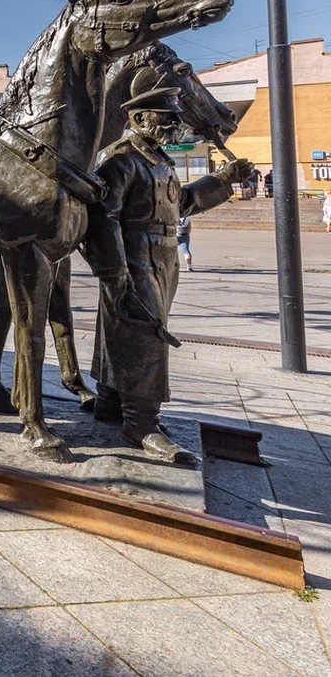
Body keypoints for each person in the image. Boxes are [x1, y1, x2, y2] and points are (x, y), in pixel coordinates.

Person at [85, 81, 252, 463]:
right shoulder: (122, 160)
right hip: (135, 254)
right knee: (146, 332)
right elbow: (102, 218)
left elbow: (184, 204)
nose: (174, 127)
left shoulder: (158, 161)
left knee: (131, 326)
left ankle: (110, 400)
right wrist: (114, 271)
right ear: (140, 118)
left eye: (175, 120)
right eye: (166, 119)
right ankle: (141, 422)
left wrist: (224, 181)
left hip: (163, 255)